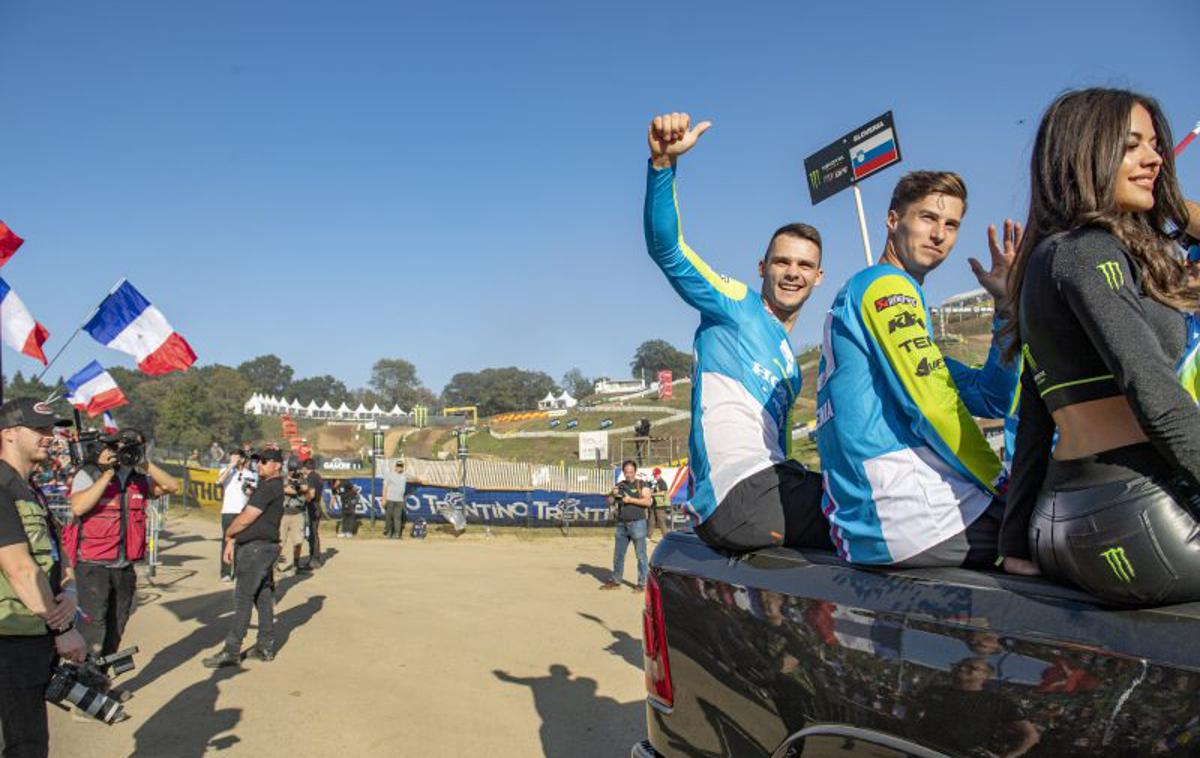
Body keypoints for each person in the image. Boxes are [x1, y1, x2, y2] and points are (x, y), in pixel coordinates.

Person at [1000, 88, 1200, 604]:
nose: (1154, 159)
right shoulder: (1089, 252)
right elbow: (1158, 399)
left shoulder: (1048, 259)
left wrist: (1016, 536)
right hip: (1137, 520)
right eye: (1132, 145)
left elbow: (1035, 416)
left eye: (1155, 145)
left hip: (1065, 521)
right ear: (1087, 152)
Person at [644, 112, 831, 553]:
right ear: (762, 268)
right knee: (881, 513)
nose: (792, 273)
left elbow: (779, 453)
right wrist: (662, 167)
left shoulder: (791, 367)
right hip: (737, 494)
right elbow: (668, 250)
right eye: (782, 262)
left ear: (818, 277)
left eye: (804, 266)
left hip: (770, 490)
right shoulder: (736, 303)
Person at [815, 170, 1020, 567]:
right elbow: (932, 405)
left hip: (879, 522)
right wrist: (1002, 483)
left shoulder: (878, 314)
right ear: (893, 221)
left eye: (951, 224)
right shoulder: (887, 285)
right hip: (911, 517)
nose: (939, 234)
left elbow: (993, 397)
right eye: (927, 217)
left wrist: (1007, 310)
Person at [0, 399, 88, 757]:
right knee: (25, 747)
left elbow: (57, 559)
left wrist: (70, 592)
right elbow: (19, 568)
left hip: (31, 635)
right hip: (10, 640)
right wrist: (64, 630)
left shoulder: (30, 489)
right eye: (38, 429)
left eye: (50, 429)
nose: (49, 436)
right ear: (7, 434)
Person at [65, 429, 178, 658]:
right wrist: (107, 473)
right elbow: (78, 507)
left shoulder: (138, 480)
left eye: (135, 447)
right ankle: (86, 682)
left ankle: (102, 679)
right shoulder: (90, 472)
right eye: (124, 446)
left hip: (124, 566)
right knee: (93, 626)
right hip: (92, 565)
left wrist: (144, 463)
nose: (127, 451)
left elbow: (172, 486)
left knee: (117, 625)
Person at [203, 448, 286, 667]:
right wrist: (233, 540)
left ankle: (231, 650)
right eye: (258, 461)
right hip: (262, 548)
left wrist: (229, 534)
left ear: (277, 464)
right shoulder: (269, 486)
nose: (260, 465)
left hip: (256, 550)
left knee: (243, 598)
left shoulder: (268, 487)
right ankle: (265, 646)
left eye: (265, 462)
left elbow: (247, 517)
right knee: (263, 596)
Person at [600, 460, 653, 592]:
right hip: (621, 524)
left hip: (638, 524)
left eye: (631, 472)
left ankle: (642, 584)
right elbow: (610, 501)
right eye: (626, 472)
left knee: (641, 555)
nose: (628, 474)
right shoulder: (620, 485)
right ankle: (616, 581)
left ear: (635, 471)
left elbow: (647, 502)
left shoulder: (642, 484)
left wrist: (631, 500)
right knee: (618, 555)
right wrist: (612, 494)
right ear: (623, 472)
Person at [217, 450, 257, 582]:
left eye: (236, 457)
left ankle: (240, 571)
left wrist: (249, 489)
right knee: (227, 540)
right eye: (232, 456)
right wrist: (231, 466)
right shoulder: (226, 470)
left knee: (242, 542)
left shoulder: (250, 474)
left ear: (243, 459)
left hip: (243, 512)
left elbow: (251, 492)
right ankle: (226, 572)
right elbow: (219, 481)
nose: (233, 459)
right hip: (228, 511)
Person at [275, 465, 308, 577]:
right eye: (290, 470)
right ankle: (275, 567)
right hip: (283, 513)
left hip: (298, 513)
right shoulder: (282, 478)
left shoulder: (301, 478)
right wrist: (295, 487)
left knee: (298, 542)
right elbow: (287, 490)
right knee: (280, 541)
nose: (292, 472)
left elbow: (305, 488)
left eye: (294, 470)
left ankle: (296, 566)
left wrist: (297, 486)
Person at [300, 460, 324, 568]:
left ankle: (315, 559)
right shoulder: (317, 476)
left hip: (313, 507)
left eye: (303, 467)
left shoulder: (312, 477)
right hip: (316, 506)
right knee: (312, 533)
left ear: (306, 468)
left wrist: (303, 498)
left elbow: (312, 494)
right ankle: (313, 558)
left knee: (312, 534)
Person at [382, 459, 408, 539]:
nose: (399, 468)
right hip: (390, 499)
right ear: (395, 467)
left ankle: (397, 534)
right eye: (398, 466)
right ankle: (389, 532)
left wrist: (421, 480)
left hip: (399, 500)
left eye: (401, 466)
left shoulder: (405, 475)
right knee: (388, 517)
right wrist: (384, 499)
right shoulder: (389, 475)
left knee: (397, 518)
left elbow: (414, 478)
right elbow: (385, 487)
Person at [649, 468, 670, 538]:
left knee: (661, 522)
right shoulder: (656, 483)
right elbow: (654, 491)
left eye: (656, 475)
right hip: (654, 505)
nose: (655, 476)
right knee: (651, 521)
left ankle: (666, 537)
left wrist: (652, 494)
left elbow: (663, 493)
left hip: (661, 506)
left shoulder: (662, 482)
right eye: (654, 475)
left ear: (659, 474)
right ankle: (648, 536)